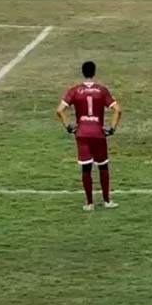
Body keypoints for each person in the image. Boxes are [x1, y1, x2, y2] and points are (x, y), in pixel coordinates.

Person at [56, 61, 123, 211]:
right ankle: (107, 201)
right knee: (103, 166)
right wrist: (112, 129)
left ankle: (89, 203)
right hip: (98, 133)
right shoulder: (101, 90)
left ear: (83, 72)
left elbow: (60, 110)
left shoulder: (74, 90)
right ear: (94, 72)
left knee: (86, 168)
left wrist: (68, 127)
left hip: (82, 133)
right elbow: (118, 110)